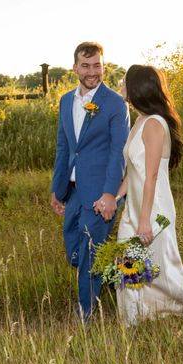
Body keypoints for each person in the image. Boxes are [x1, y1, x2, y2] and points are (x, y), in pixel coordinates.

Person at [111, 64, 183, 326]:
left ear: (137, 88)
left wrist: (144, 221)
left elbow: (150, 176)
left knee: (164, 269)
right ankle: (133, 321)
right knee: (128, 263)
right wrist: (113, 198)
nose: (121, 85)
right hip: (135, 207)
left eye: (124, 81)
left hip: (153, 209)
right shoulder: (140, 121)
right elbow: (134, 173)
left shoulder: (154, 124)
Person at [51, 42, 130, 321]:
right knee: (74, 248)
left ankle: (86, 314)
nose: (92, 71)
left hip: (100, 192)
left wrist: (110, 194)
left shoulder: (115, 104)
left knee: (87, 251)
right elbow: (64, 147)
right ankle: (114, 278)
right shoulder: (64, 101)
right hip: (73, 191)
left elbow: (118, 152)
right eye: (85, 65)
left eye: (97, 65)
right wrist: (57, 189)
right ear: (75, 68)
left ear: (103, 65)